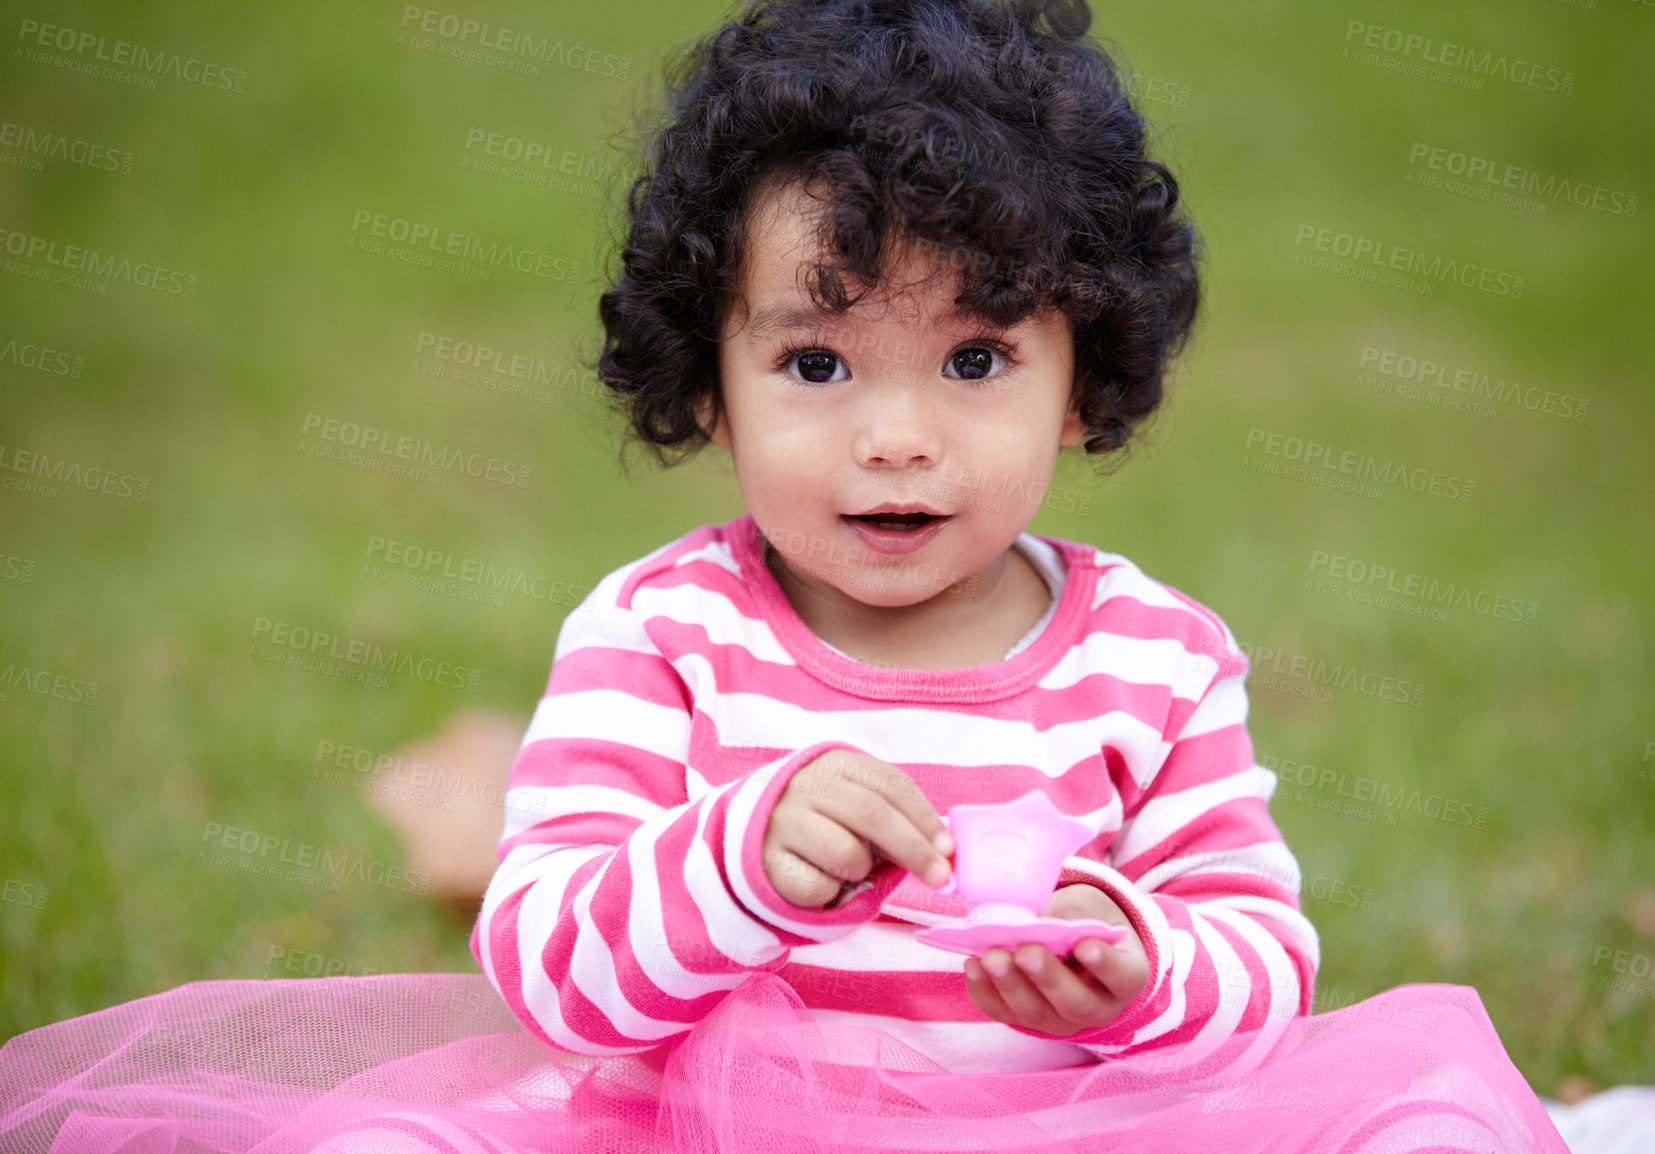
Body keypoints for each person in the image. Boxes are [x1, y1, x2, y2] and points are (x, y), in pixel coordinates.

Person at [0, 0, 1573, 1149]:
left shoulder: (1156, 659)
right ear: (711, 377)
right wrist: (737, 857)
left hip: (1076, 1131)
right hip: (695, 1133)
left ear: (1085, 377)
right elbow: (549, 963)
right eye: (817, 362)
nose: (896, 437)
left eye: (973, 357)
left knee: (1428, 1125)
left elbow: (1264, 967)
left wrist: (1139, 971)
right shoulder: (664, 636)